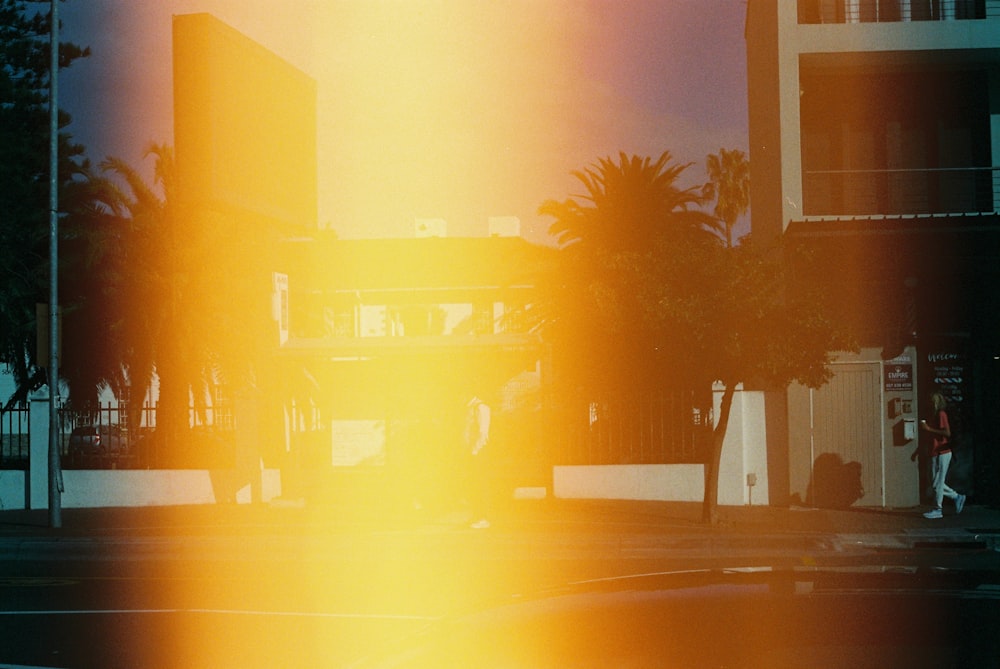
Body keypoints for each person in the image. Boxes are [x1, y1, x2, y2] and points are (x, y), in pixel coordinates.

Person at [919, 392, 965, 519]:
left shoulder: (941, 414)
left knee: (938, 482)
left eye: (932, 401)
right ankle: (956, 496)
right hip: (935, 451)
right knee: (934, 483)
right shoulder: (934, 415)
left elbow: (947, 433)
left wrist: (928, 429)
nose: (930, 403)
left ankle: (938, 509)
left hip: (941, 452)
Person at [463, 395, 493, 529]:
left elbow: (483, 432)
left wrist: (474, 450)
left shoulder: (481, 408)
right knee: (473, 484)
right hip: (472, 452)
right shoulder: (470, 408)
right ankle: (477, 515)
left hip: (479, 452)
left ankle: (483, 517)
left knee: (480, 484)